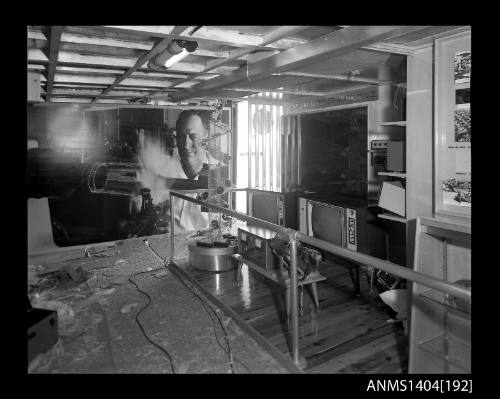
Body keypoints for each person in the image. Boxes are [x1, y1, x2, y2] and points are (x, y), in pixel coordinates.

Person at [170, 110, 219, 232]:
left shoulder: (219, 174)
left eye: (193, 137)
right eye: (181, 137)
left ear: (206, 135)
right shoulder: (164, 168)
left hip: (203, 247)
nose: (186, 145)